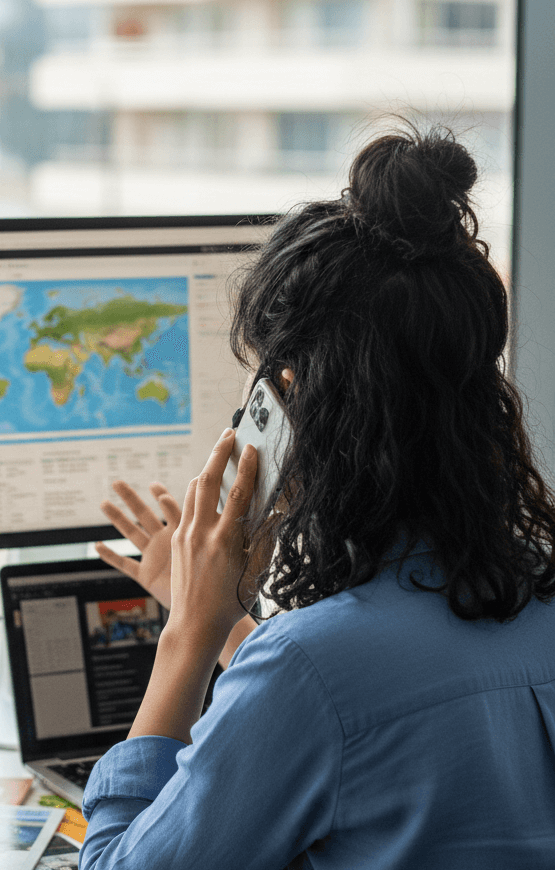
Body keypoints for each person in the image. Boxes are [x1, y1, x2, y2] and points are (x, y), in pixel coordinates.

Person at [82, 124, 555, 869]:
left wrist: (189, 639)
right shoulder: (535, 593)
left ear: (294, 400)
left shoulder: (309, 669)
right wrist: (230, 626)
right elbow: (371, 707)